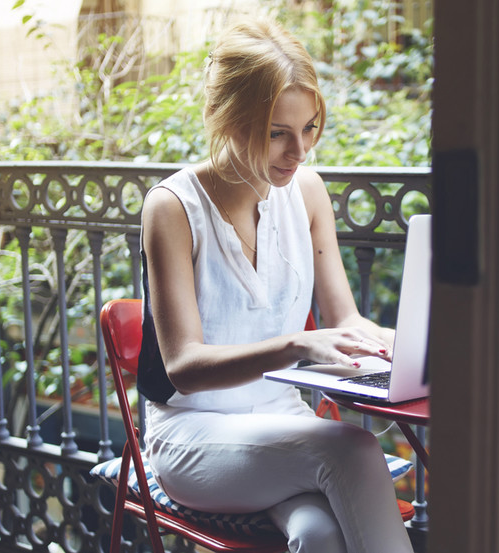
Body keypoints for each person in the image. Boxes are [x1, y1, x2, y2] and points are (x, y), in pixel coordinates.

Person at [137, 18, 414, 553]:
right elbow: (183, 368)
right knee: (353, 451)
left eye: (309, 127)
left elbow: (346, 319)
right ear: (227, 118)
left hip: (281, 424)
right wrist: (296, 345)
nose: (300, 151)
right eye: (276, 133)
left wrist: (410, 345)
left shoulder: (307, 193)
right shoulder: (172, 208)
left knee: (319, 536)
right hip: (193, 434)